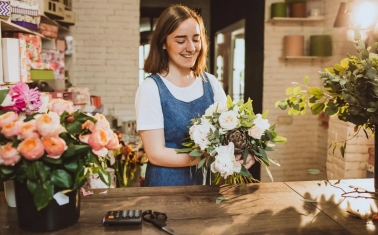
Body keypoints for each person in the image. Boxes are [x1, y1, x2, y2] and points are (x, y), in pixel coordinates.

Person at [135, 5, 254, 187]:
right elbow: (156, 154)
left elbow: (231, 133)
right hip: (165, 188)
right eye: (181, 40)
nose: (191, 48)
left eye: (196, 39)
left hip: (205, 186)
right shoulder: (151, 88)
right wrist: (210, 155)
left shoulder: (211, 83)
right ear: (163, 43)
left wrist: (244, 152)